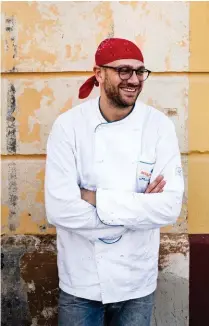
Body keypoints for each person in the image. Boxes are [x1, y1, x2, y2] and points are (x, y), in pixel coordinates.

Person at [45, 37, 184, 326]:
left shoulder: (158, 127)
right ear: (99, 73)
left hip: (136, 280)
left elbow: (168, 207)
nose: (134, 80)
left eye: (139, 71)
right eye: (123, 71)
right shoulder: (68, 127)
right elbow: (59, 209)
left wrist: (95, 198)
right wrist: (139, 211)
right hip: (81, 280)